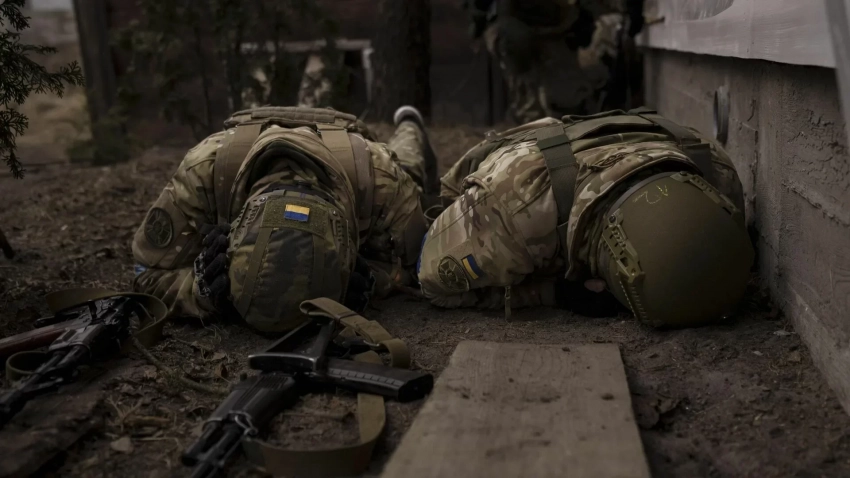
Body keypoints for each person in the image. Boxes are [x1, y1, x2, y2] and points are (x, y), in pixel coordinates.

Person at [417, 108, 755, 327]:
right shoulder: (513, 216)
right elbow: (431, 281)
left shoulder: (715, 170)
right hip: (514, 167)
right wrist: (556, 294)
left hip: (579, 148)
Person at [132, 105, 435, 332]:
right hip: (271, 147)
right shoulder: (203, 173)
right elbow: (144, 271)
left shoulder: (383, 181)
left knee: (409, 163)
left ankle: (409, 123)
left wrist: (370, 278)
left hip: (354, 158)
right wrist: (203, 290)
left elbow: (417, 268)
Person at [463, 0, 644, 123]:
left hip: (557, 26)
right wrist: (478, 18)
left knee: (569, 102)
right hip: (514, 25)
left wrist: (585, 17)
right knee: (531, 107)